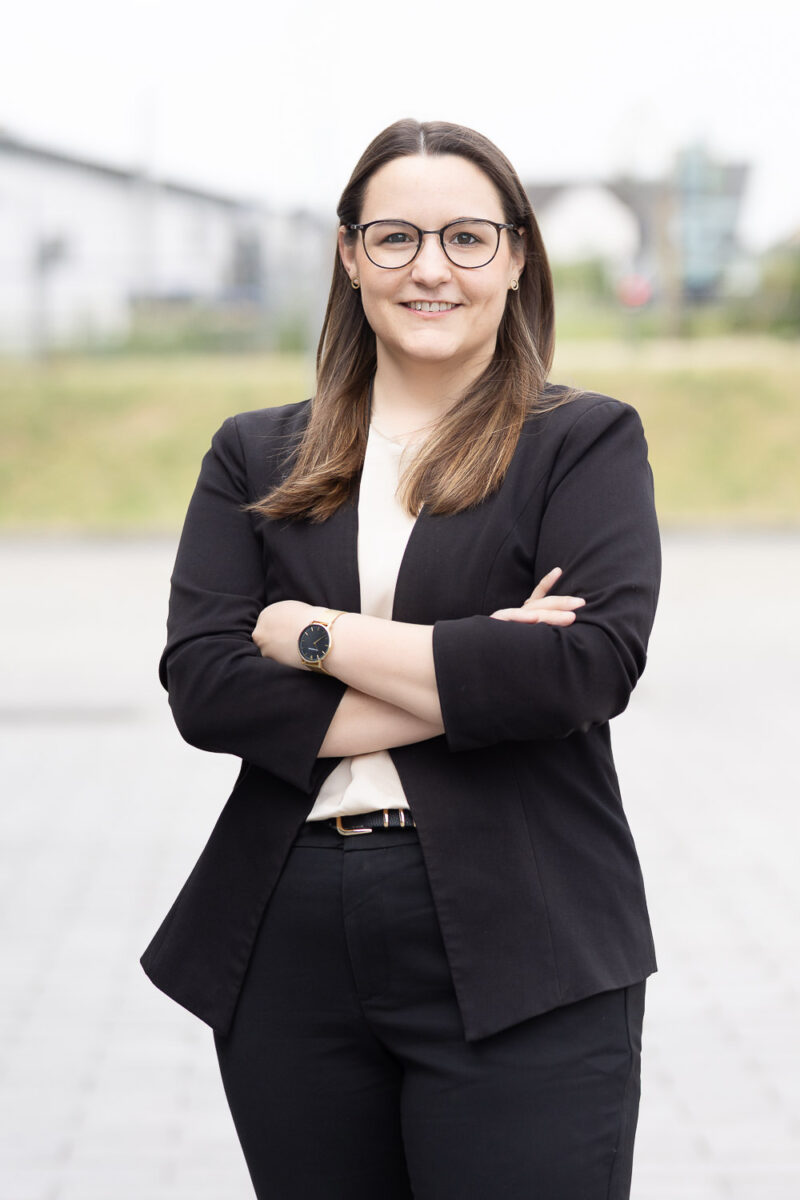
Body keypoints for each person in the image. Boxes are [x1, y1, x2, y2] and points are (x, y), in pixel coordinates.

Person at [141, 118, 661, 1199]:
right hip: (288, 934)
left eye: (467, 238)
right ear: (348, 255)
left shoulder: (583, 441)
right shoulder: (256, 452)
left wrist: (313, 636)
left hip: (527, 929)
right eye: (395, 238)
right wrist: (479, 672)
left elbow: (585, 669)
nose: (431, 268)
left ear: (516, 257)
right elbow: (205, 685)